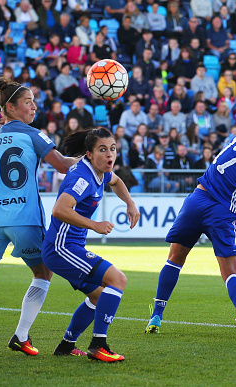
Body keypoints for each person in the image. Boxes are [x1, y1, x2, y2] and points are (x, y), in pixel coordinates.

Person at [0, 76, 79, 358]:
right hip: (25, 220)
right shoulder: (33, 134)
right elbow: (61, 165)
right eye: (28, 102)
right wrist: (86, 161)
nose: (34, 107)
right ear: (11, 108)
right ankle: (21, 336)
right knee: (43, 273)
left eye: (34, 102)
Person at [144, 103, 236, 340]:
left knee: (175, 258)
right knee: (230, 270)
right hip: (222, 210)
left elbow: (235, 168)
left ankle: (156, 316)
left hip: (197, 198)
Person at [43, 127, 139, 362]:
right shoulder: (82, 178)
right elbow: (59, 210)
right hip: (61, 247)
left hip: (67, 247)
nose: (110, 155)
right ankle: (98, 345)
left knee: (98, 296)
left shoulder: (101, 171)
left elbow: (116, 182)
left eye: (113, 149)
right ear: (89, 154)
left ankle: (66, 345)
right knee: (117, 280)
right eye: (103, 150)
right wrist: (94, 225)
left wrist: (130, 203)